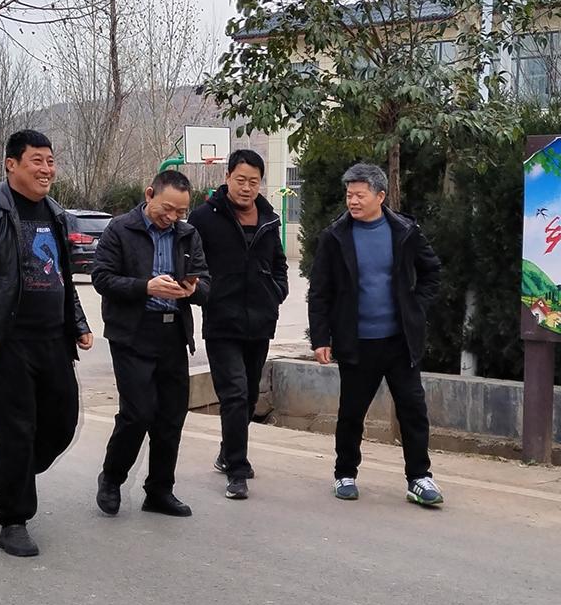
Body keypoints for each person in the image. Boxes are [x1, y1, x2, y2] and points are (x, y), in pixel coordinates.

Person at [0, 129, 93, 558]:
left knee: (63, 424)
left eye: (50, 161)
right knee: (16, 431)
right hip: (6, 342)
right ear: (11, 164)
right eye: (37, 161)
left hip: (53, 340)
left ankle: (10, 473)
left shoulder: (57, 214)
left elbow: (62, 278)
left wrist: (78, 323)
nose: (47, 169)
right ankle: (14, 520)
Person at [307, 163, 444, 507]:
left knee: (413, 409)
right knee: (351, 413)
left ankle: (419, 477)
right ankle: (345, 474)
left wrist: (415, 307)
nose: (352, 201)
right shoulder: (335, 237)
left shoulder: (404, 231)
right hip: (357, 342)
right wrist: (321, 338)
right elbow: (320, 292)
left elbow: (432, 272)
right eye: (349, 195)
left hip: (400, 341)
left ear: (380, 196)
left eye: (360, 195)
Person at [91, 169, 210, 519]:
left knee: (171, 416)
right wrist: (146, 286)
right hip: (133, 334)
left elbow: (206, 283)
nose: (172, 217)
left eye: (180, 212)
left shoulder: (188, 234)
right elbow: (102, 278)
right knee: (138, 413)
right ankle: (112, 478)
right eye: (167, 209)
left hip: (173, 334)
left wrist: (192, 290)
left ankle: (159, 490)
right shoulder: (120, 229)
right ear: (149, 195)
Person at [188, 149, 288, 500]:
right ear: (227, 177)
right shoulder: (203, 218)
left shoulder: (269, 218)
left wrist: (277, 291)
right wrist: (203, 292)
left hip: (260, 321)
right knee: (234, 394)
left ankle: (226, 452)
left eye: (254, 182)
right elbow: (191, 261)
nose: (247, 188)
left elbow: (278, 263)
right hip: (222, 321)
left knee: (248, 397)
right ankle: (237, 469)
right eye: (241, 180)